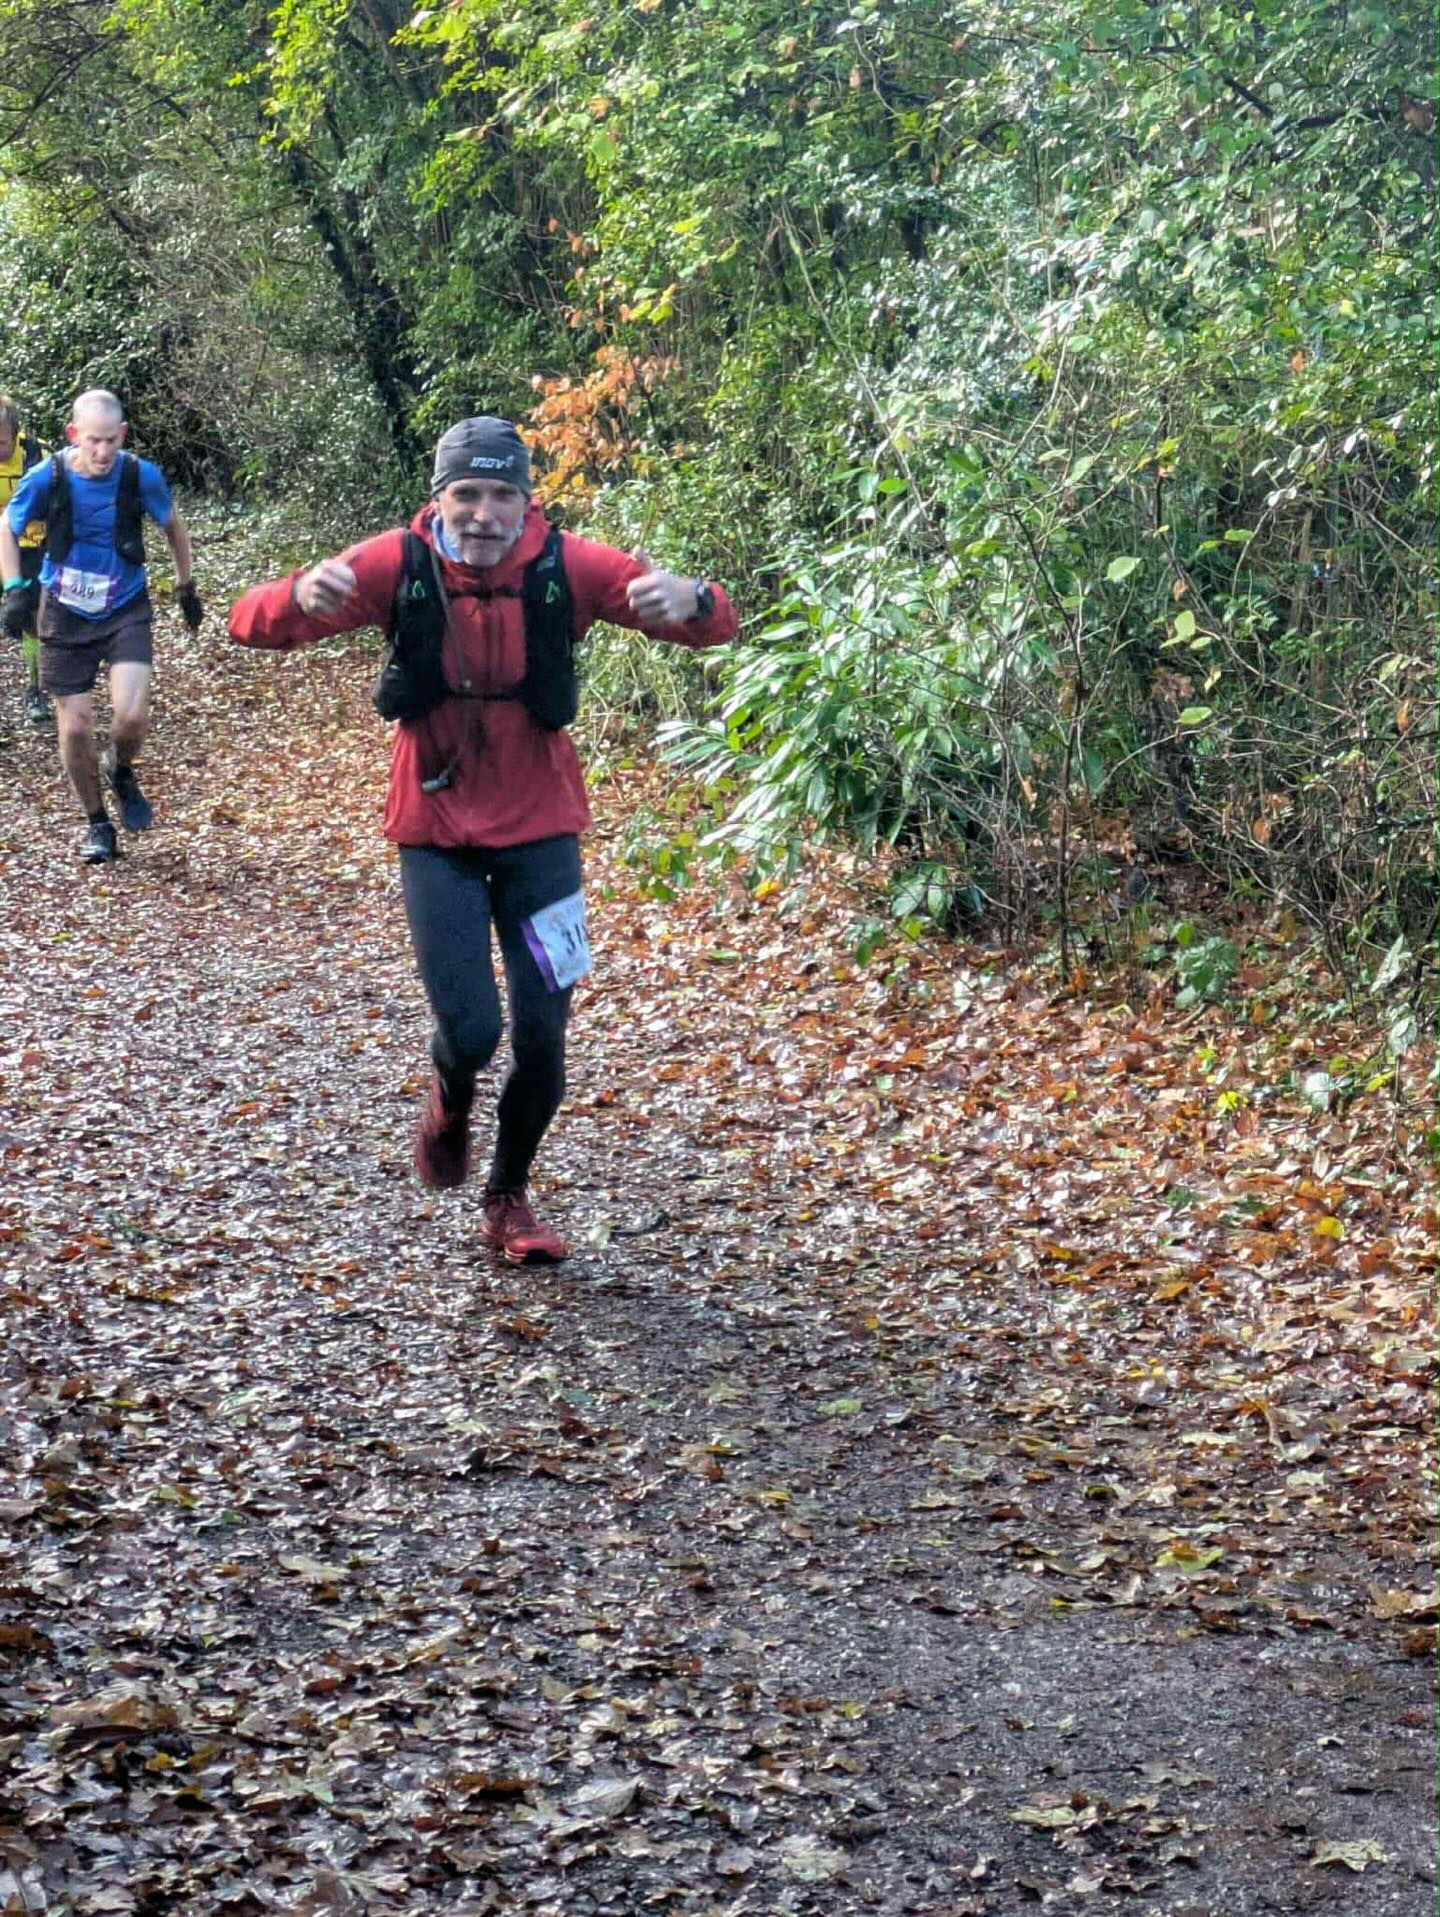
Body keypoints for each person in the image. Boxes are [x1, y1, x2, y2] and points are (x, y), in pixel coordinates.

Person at [228, 415, 737, 1265]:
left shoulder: (568, 564)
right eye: (467, 493)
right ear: (440, 498)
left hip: (542, 831)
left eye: (503, 494)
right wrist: (296, 595)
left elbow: (714, 621)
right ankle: (452, 1094)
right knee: (471, 1029)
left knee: (544, 1033)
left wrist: (694, 600)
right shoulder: (398, 560)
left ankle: (507, 1197)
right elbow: (250, 623)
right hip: (435, 830)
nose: (484, 513)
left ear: (527, 501)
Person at [0, 389, 204, 863]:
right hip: (64, 611)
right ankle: (97, 824)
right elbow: (6, 527)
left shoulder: (139, 475)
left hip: (125, 605)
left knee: (131, 716)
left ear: (123, 436)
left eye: (112, 441)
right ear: (74, 436)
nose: (103, 452)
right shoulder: (47, 476)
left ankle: (120, 766)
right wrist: (13, 587)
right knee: (75, 729)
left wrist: (185, 586)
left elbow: (172, 526)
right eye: (93, 441)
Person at [0, 399, 51, 726]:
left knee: (33, 618)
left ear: (16, 434)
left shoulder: (39, 456)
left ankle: (35, 689)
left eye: (1, 442)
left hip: (33, 545)